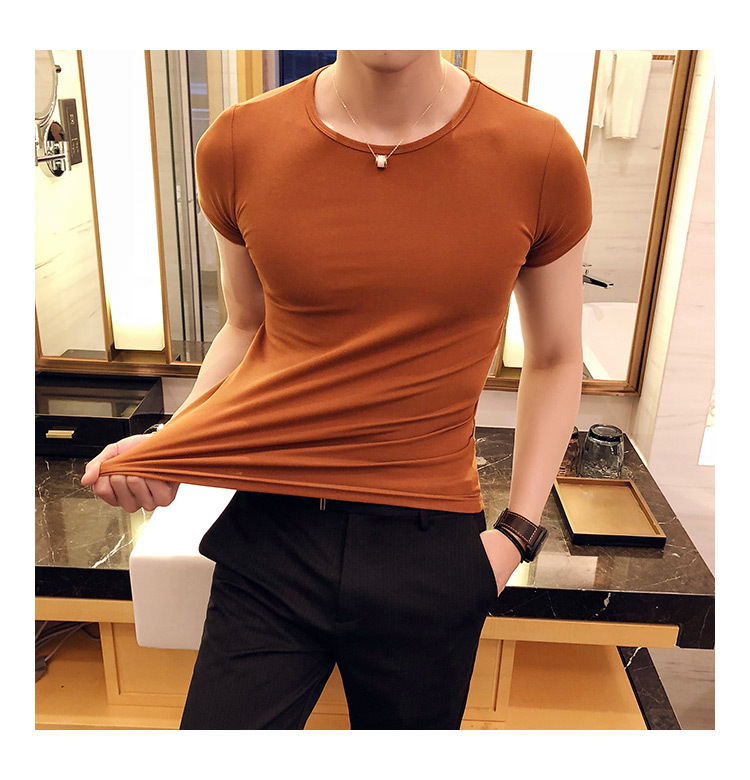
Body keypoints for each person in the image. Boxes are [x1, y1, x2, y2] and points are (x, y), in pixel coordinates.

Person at [82, 49, 591, 729]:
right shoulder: (239, 142)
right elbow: (246, 326)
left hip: (429, 544)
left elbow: (555, 357)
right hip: (273, 533)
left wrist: (516, 536)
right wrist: (170, 448)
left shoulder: (537, 154)